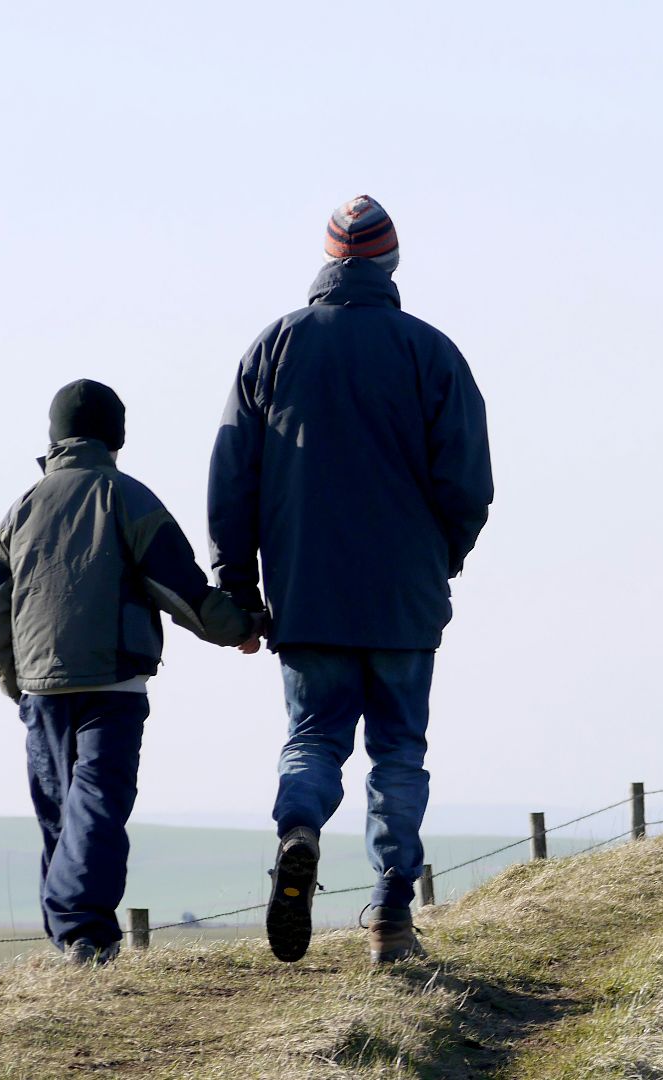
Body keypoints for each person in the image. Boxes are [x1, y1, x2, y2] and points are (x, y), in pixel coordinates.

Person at [208, 196, 494, 964]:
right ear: (391, 264)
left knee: (312, 739)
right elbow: (468, 482)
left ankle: (298, 830)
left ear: (328, 263)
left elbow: (232, 479)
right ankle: (391, 915)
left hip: (308, 594)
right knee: (398, 751)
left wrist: (239, 588)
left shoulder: (273, 347)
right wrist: (444, 557)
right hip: (404, 598)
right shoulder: (431, 352)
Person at [0, 379, 257, 963]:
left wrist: (17, 685)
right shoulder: (126, 497)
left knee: (60, 814)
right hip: (113, 683)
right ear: (117, 434)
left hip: (40, 688)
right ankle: (85, 936)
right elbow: (179, 589)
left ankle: (70, 940)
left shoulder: (21, 508)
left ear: (54, 436)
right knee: (97, 806)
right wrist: (241, 629)